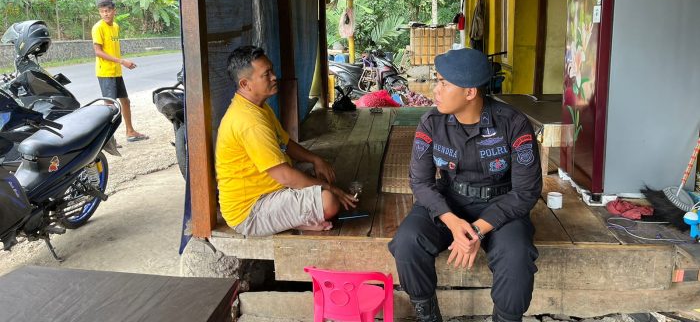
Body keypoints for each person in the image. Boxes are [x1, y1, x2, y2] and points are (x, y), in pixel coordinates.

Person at [388, 48, 542, 322]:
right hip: (449, 201)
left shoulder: (513, 124)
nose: (435, 90)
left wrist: (475, 231)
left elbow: (525, 192)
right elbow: (421, 183)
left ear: (470, 92)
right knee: (407, 241)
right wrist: (451, 221)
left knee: (516, 254)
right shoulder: (431, 122)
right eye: (437, 81)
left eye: (444, 83)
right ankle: (427, 316)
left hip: (500, 206)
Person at [216, 45, 358, 236]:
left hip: (270, 190)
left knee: (323, 173)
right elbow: (284, 176)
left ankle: (298, 217)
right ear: (245, 84)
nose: (274, 76)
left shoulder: (258, 107)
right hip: (251, 212)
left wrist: (316, 160)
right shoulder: (248, 121)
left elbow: (285, 143)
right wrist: (331, 189)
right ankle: (298, 220)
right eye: (266, 74)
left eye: (271, 70)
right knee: (329, 201)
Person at [91, 0, 148, 142]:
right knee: (110, 107)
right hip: (105, 72)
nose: (106, 14)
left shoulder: (115, 26)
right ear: (100, 13)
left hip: (116, 71)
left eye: (108, 11)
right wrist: (122, 61)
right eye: (102, 11)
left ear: (113, 11)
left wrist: (120, 63)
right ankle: (108, 140)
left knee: (125, 101)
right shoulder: (98, 27)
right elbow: (98, 51)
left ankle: (130, 131)